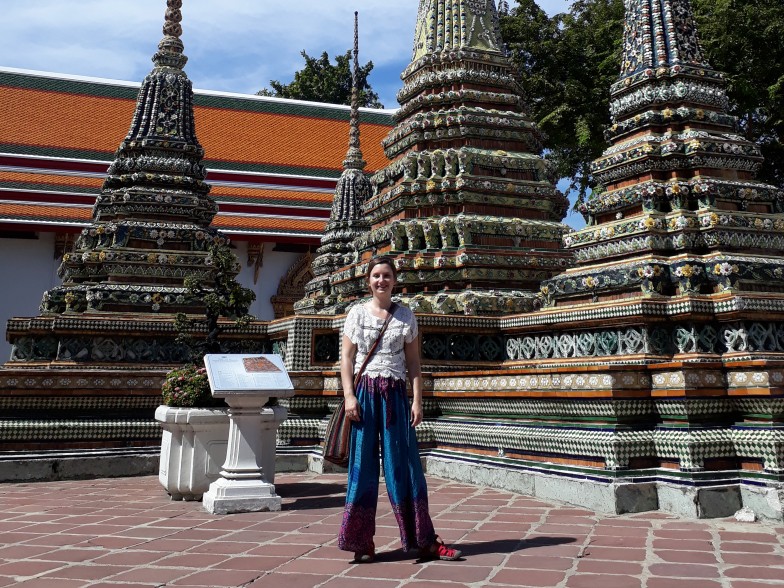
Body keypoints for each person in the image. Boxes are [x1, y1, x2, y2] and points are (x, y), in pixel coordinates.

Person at [337, 255, 462, 563]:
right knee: (361, 468)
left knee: (404, 467)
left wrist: (417, 400)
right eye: (376, 275)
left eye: (387, 275)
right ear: (368, 281)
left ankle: (423, 539)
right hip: (365, 393)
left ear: (394, 280)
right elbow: (347, 359)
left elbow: (414, 364)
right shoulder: (356, 314)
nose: (381, 280)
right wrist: (349, 396)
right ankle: (359, 541)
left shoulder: (406, 316)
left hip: (395, 395)